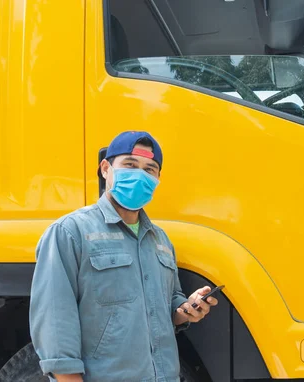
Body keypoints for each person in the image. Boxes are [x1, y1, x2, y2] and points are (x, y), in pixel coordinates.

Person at [29, 131, 218, 382]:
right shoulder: (70, 232)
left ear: (158, 178)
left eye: (150, 169)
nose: (140, 175)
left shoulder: (160, 240)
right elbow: (55, 322)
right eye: (130, 165)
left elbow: (169, 304)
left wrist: (186, 309)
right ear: (106, 168)